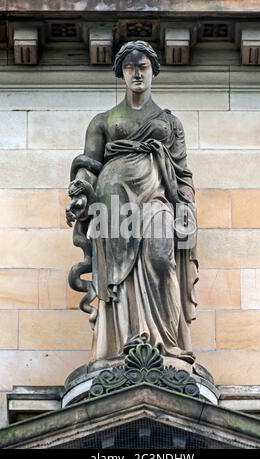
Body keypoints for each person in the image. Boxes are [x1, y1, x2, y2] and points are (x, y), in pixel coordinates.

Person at [66, 40, 198, 365]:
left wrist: (186, 208)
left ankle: (167, 344)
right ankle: (121, 343)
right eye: (129, 67)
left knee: (161, 257)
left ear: (153, 71)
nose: (136, 73)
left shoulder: (170, 123)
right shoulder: (103, 120)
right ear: (121, 73)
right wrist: (80, 195)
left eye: (143, 67)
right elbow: (87, 166)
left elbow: (182, 174)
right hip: (113, 199)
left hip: (156, 195)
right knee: (118, 274)